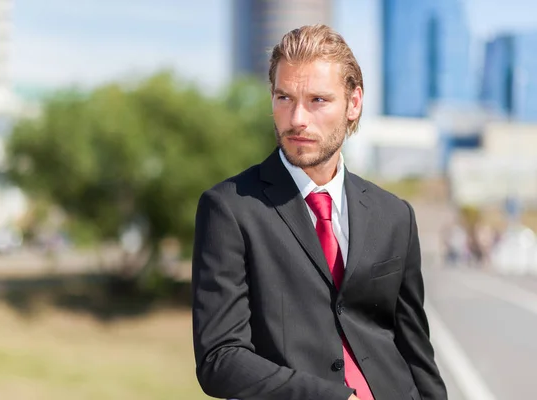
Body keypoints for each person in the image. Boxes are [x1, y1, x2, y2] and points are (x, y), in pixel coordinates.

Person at [191, 24, 447, 400]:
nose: (297, 119)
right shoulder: (228, 209)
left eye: (318, 100)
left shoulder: (395, 216)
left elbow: (416, 351)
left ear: (353, 103)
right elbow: (220, 358)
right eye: (284, 98)